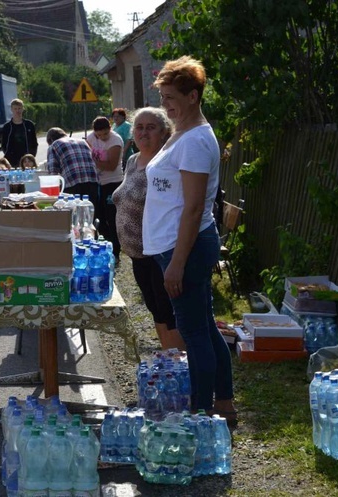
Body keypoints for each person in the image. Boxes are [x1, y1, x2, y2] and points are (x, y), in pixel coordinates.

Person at [143, 56, 235, 420]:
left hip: (186, 247)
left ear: (193, 95)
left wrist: (177, 264)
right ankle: (223, 404)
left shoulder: (195, 140)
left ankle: (200, 414)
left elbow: (195, 208)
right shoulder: (181, 131)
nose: (166, 104)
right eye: (163, 96)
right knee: (205, 328)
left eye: (171, 97)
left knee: (193, 334)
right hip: (177, 245)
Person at [112, 107, 185, 351]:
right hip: (137, 253)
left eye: (151, 127)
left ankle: (179, 369)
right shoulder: (133, 161)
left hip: (159, 251)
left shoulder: (165, 163)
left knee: (168, 310)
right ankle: (168, 360)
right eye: (139, 127)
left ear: (165, 133)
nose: (144, 132)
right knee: (155, 308)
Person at [87, 116, 123, 259]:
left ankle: (116, 250)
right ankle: (104, 245)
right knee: (98, 216)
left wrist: (93, 161)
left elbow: (111, 166)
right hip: (97, 182)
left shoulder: (115, 140)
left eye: (105, 134)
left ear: (110, 128)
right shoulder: (91, 138)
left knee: (111, 216)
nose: (102, 138)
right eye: (99, 135)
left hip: (113, 182)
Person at [45, 127, 99, 204]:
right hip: (92, 180)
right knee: (90, 211)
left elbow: (53, 173)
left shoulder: (54, 145)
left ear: (50, 140)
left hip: (72, 182)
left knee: (73, 212)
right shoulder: (82, 142)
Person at [1, 98, 38, 168]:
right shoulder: (7, 126)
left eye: (19, 108)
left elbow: (34, 142)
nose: (17, 111)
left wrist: (31, 156)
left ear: (22, 109)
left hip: (27, 160)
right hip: (11, 160)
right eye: (15, 109)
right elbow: (4, 144)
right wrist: (8, 155)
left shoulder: (29, 125)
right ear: (11, 109)